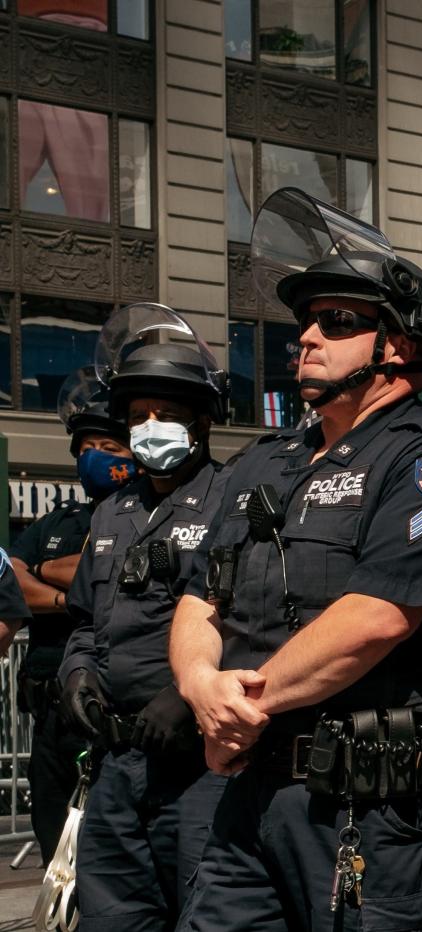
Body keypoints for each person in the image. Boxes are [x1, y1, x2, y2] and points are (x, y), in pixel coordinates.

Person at [171, 189, 422, 931]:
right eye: (306, 320)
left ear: (396, 346)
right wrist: (202, 685)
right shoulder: (264, 462)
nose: (306, 336)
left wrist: (244, 704)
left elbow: (378, 616)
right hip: (249, 791)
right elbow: (202, 597)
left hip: (372, 809)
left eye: (337, 323)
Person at [58, 304, 231, 932]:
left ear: (203, 422)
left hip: (198, 768)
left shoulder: (233, 502)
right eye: (138, 417)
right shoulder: (111, 514)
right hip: (114, 766)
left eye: (166, 415)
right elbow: (84, 620)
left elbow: (252, 621)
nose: (149, 427)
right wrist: (76, 673)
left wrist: (186, 697)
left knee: (205, 913)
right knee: (114, 917)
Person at [0, 368, 136, 865]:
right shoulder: (58, 521)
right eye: (83, 449)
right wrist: (68, 596)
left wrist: (51, 570)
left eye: (106, 445)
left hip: (108, 713)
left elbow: (109, 567)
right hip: (48, 715)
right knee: (55, 846)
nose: (91, 457)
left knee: (109, 856)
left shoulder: (143, 513)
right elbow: (11, 583)